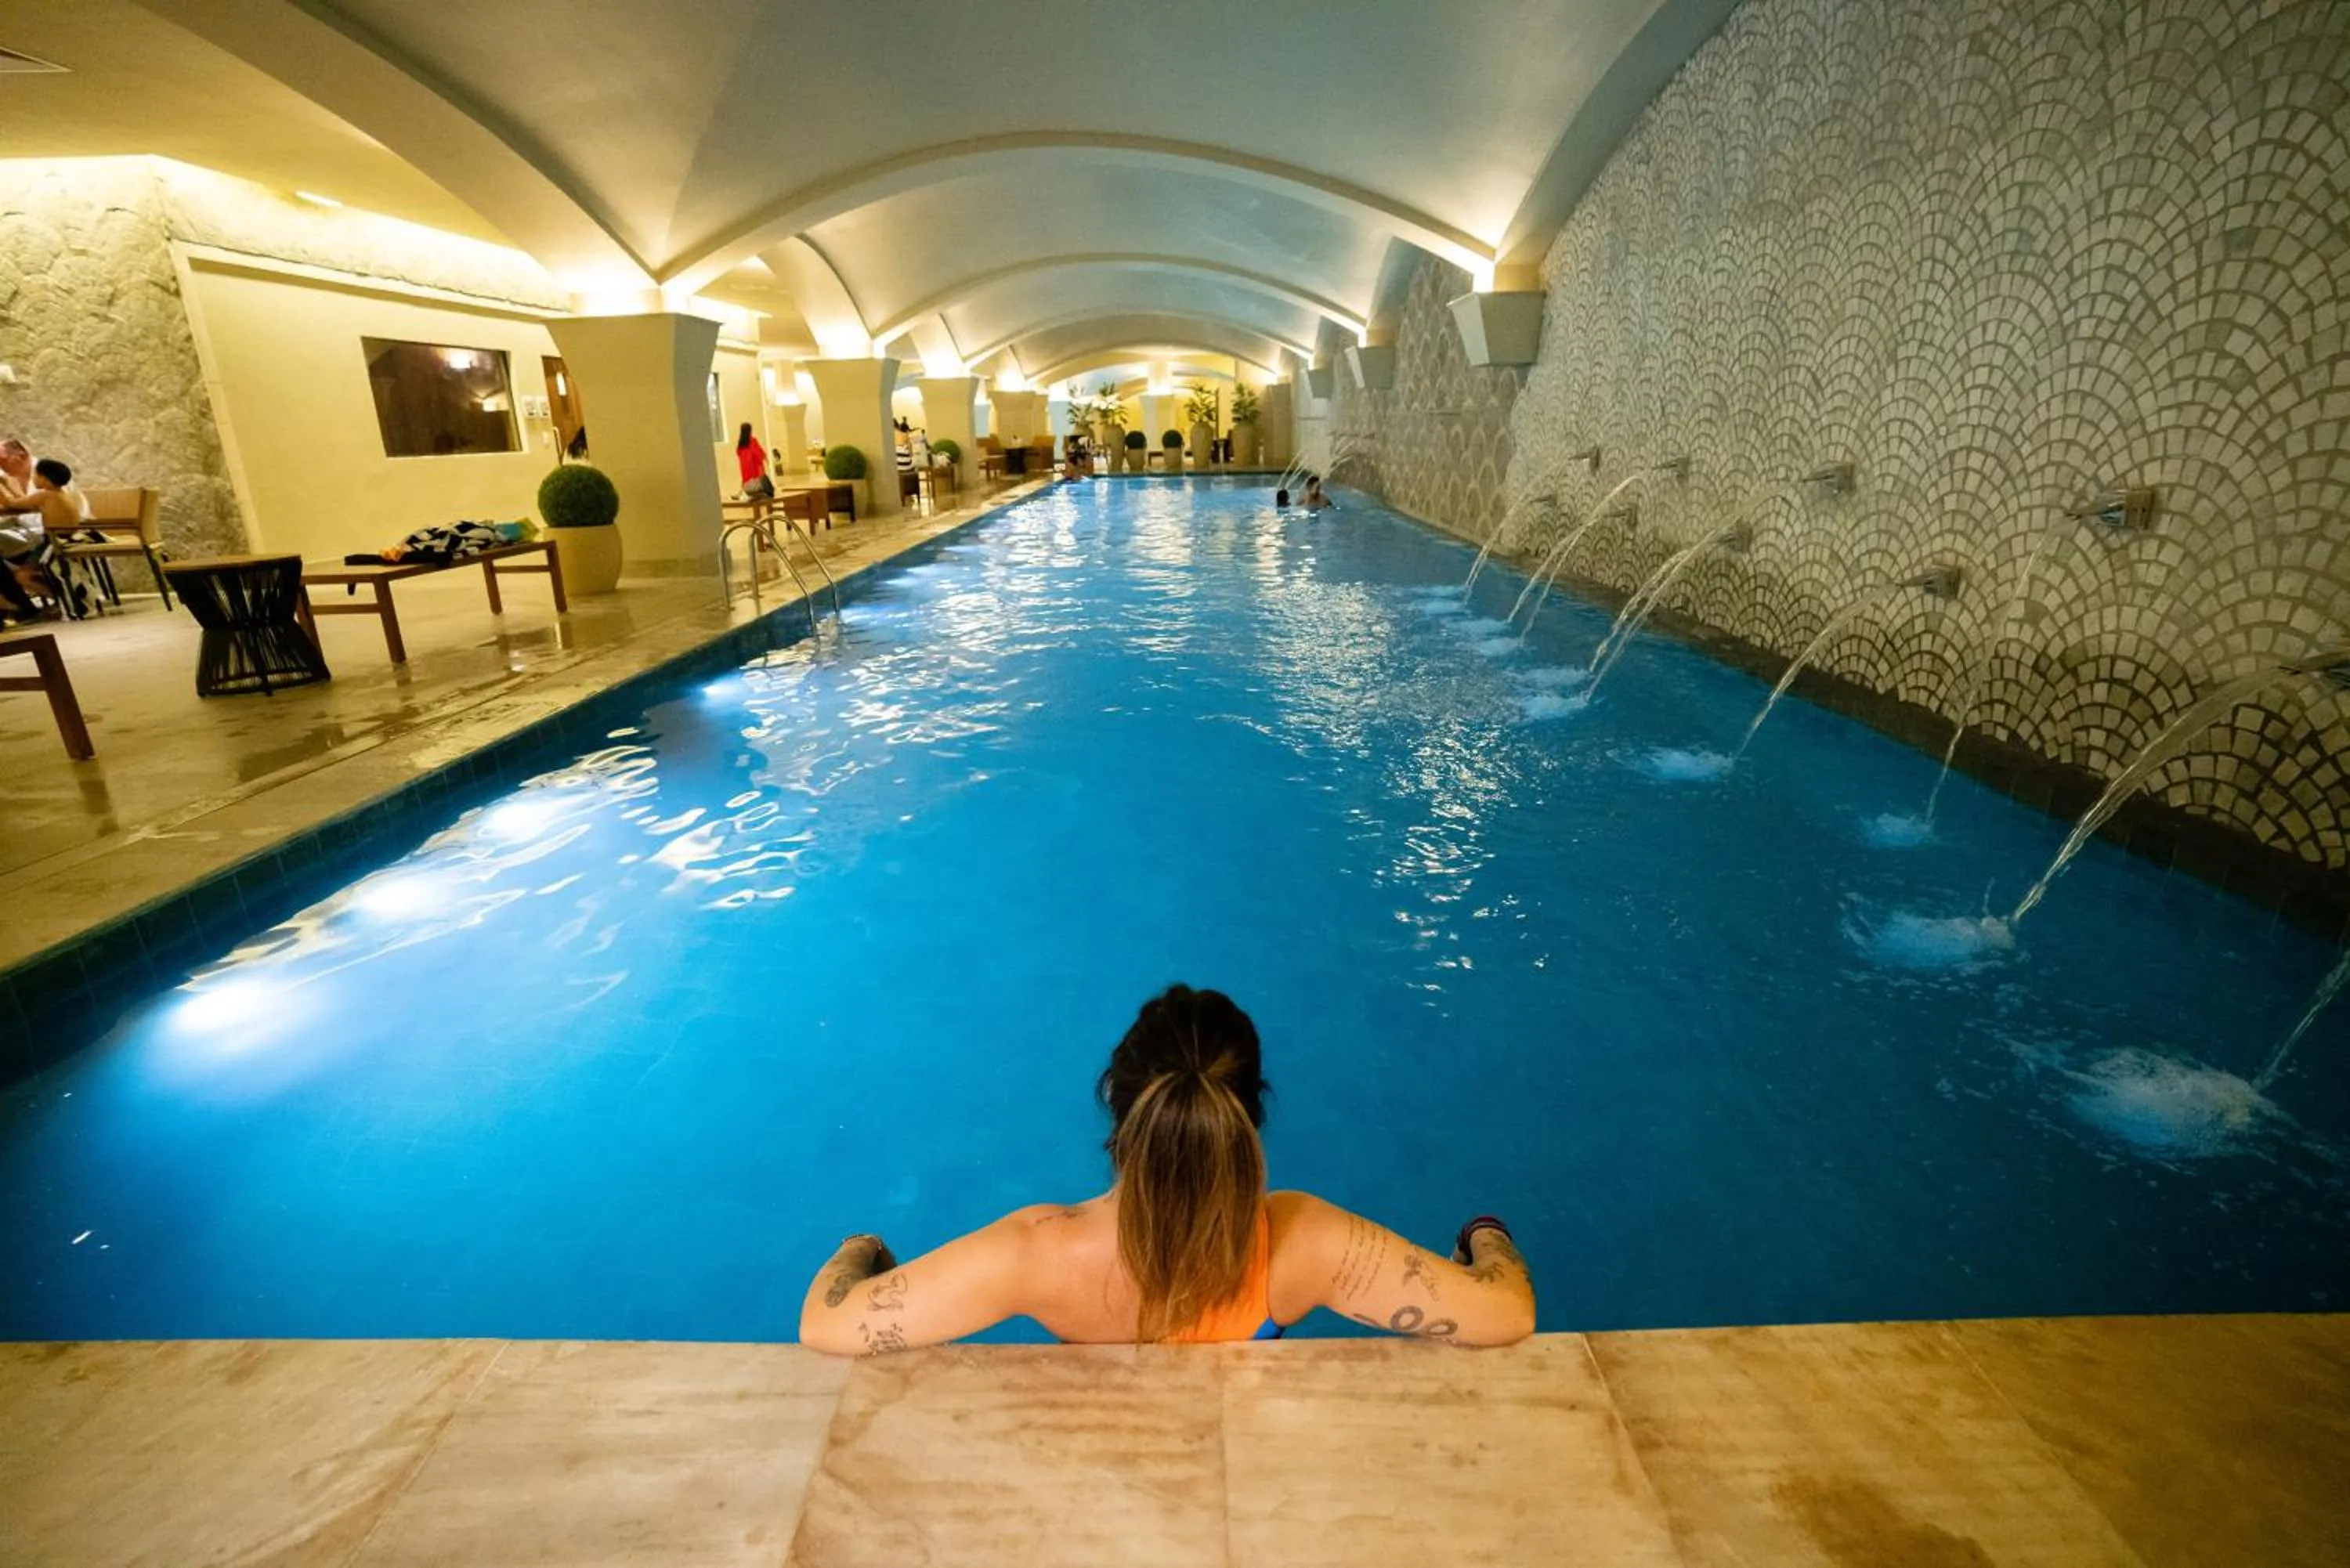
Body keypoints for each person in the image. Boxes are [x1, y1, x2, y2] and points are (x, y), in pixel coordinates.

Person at [798, 985, 1535, 1354]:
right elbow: (1505, 1313)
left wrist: (858, 1250)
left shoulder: (1037, 1253)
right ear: (1252, 1112)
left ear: (1116, 1109)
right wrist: (1485, 1237)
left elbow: (827, 1326)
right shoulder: (1302, 1242)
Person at [736, 422, 774, 499]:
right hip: (754, 466)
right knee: (759, 483)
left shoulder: (741, 443)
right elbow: (757, 452)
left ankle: (743, 492)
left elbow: (738, 453)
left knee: (747, 481)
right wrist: (764, 458)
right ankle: (760, 494)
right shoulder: (753, 440)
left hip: (745, 468)